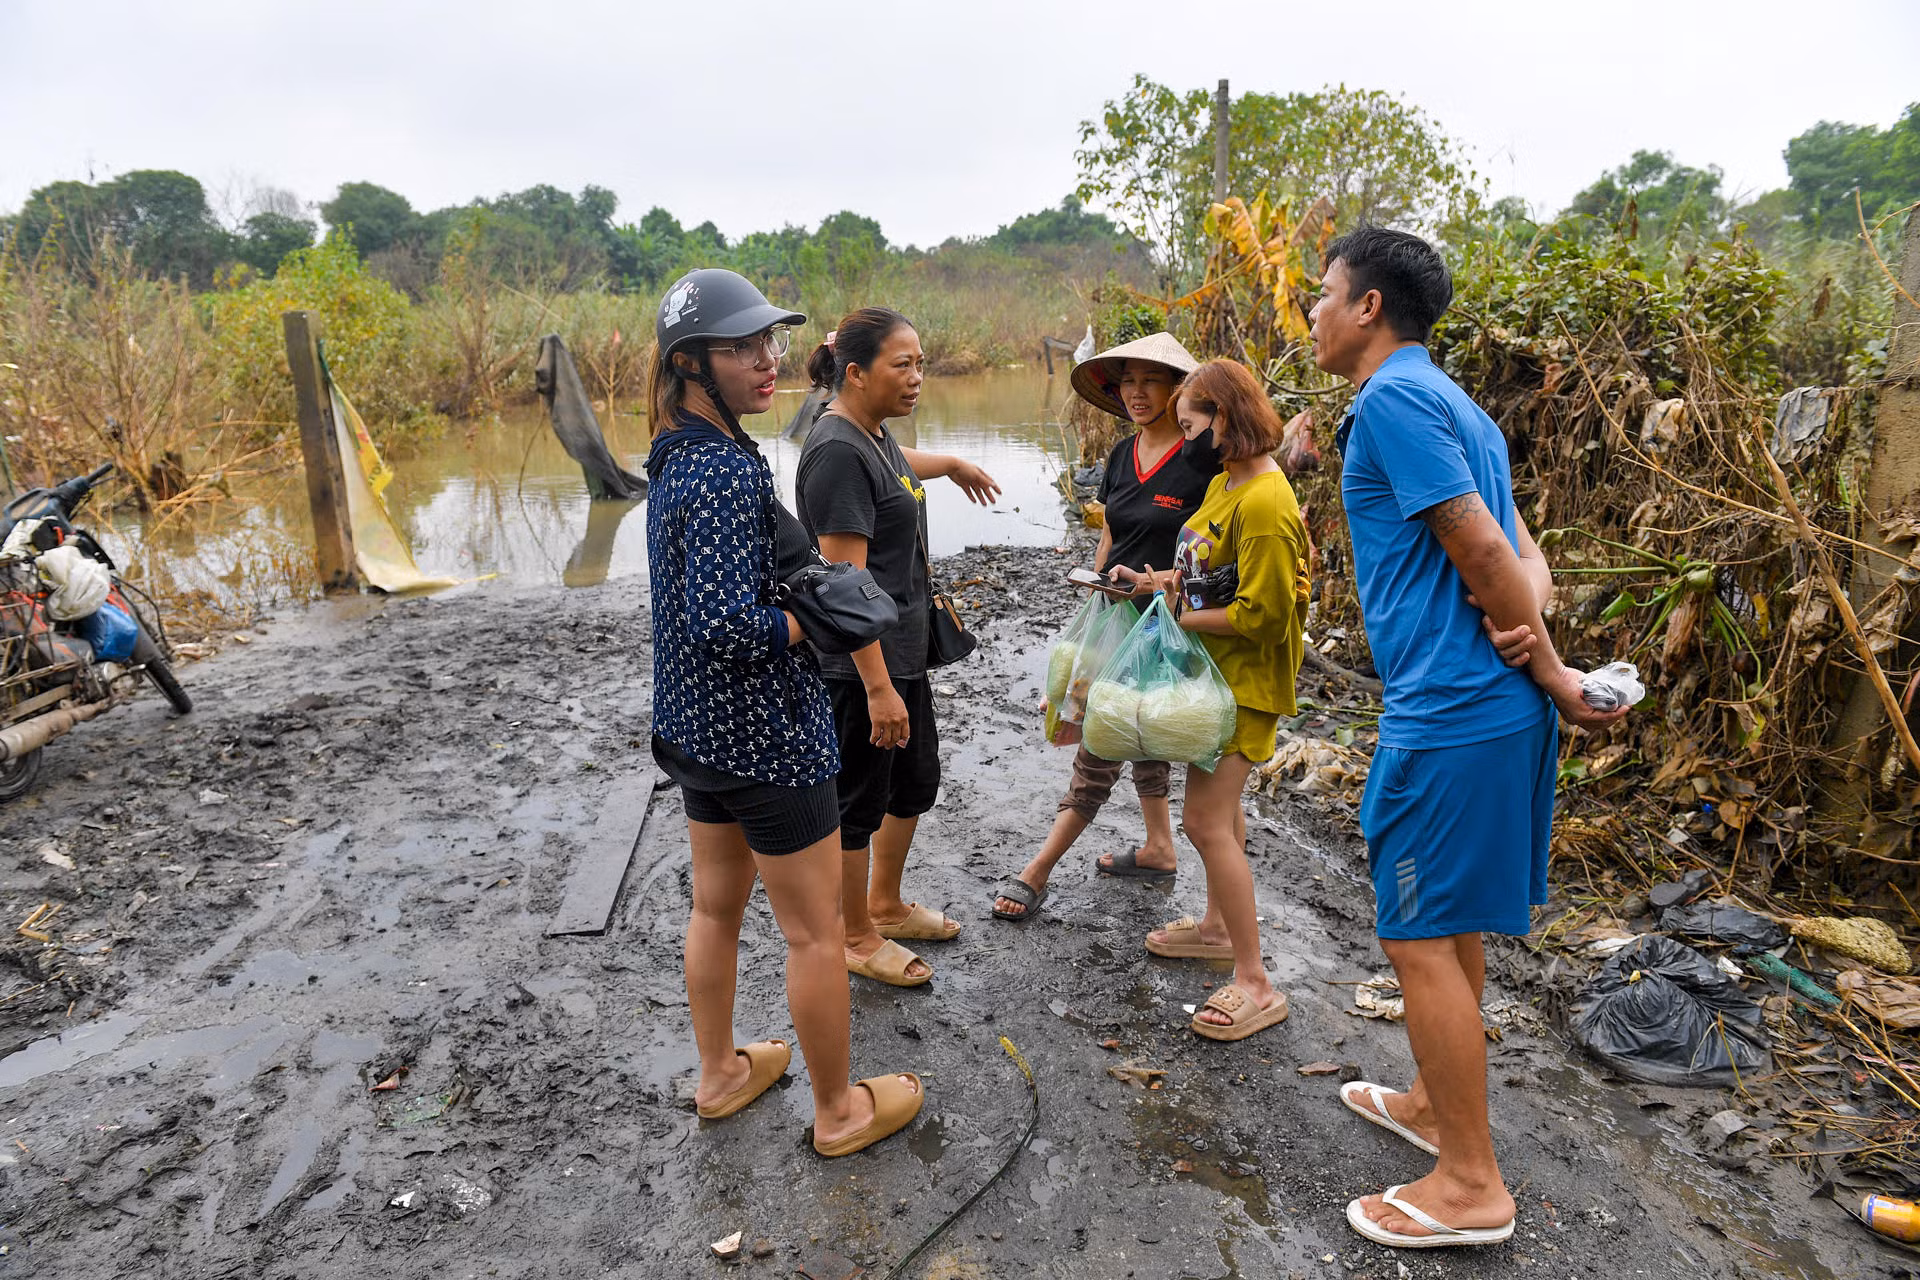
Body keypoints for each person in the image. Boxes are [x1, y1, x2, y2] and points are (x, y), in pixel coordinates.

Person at [1308, 228, 1629, 1248]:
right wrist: (1545, 658)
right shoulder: (1461, 407)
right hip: (1488, 707)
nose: (1312, 311)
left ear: (1367, 307)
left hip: (1449, 714)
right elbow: (1528, 561)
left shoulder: (1395, 401)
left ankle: (1471, 1184)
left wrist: (1538, 649)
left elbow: (1490, 549)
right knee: (1447, 927)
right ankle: (1433, 1106)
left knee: (1411, 932)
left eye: (1324, 294)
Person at [644, 269, 921, 1157]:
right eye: (742, 348)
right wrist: (815, 615)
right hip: (764, 736)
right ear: (692, 364)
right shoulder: (722, 473)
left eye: (770, 342)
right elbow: (729, 627)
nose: (768, 360)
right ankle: (839, 1111)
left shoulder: (675, 452)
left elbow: (698, 612)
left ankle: (721, 1072)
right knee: (813, 934)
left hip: (697, 731)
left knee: (715, 908)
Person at [796, 308, 1001, 988]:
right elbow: (844, 586)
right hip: (861, 670)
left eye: (921, 363)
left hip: (902, 651)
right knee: (858, 802)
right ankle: (854, 934)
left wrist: (952, 463)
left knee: (911, 785)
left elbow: (897, 465)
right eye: (902, 365)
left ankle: (883, 905)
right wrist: (879, 687)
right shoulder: (834, 454)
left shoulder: (871, 435)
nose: (918, 378)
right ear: (855, 373)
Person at [1113, 358, 1309, 1042]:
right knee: (1219, 817)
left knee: (1202, 822)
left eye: (1191, 423)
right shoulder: (1230, 483)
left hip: (1246, 686)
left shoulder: (1265, 502)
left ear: (1224, 418)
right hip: (1217, 679)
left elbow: (1263, 615)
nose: (1184, 435)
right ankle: (1218, 930)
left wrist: (1174, 618)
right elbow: (1213, 575)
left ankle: (1255, 980)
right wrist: (1158, 582)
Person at [992, 332, 1208, 922]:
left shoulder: (1202, 459)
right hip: (1114, 619)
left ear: (1176, 389)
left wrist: (1156, 580)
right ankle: (1160, 848)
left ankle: (1037, 868)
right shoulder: (1119, 456)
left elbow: (1217, 557)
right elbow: (1111, 535)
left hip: (1169, 626)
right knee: (1136, 731)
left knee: (1100, 743)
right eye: (1127, 383)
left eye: (1150, 381)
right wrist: (1092, 592)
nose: (1137, 393)